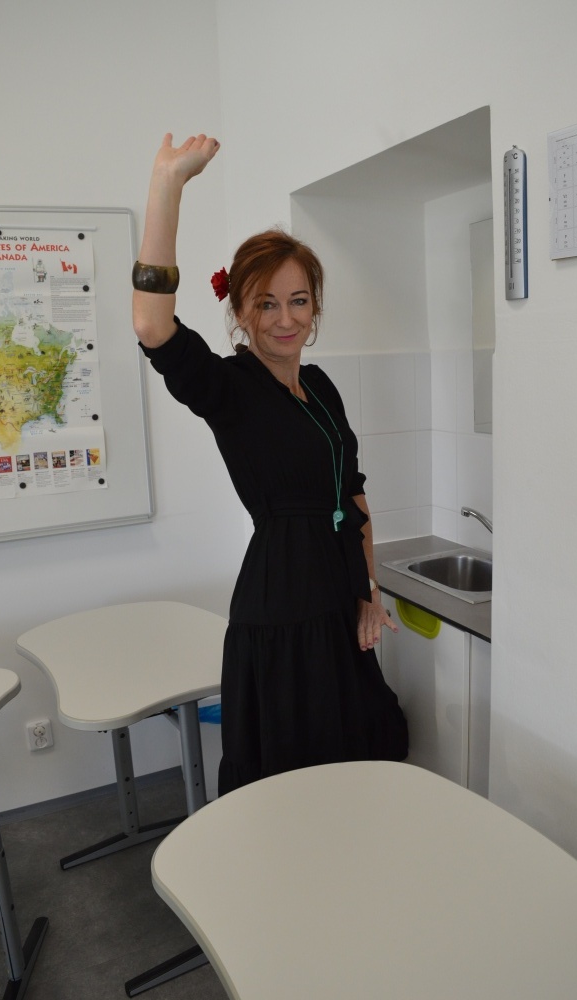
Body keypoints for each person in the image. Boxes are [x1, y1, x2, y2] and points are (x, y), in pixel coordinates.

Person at [133, 132, 408, 796]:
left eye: (298, 300)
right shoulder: (231, 389)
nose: (285, 319)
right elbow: (151, 327)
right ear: (240, 312)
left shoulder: (322, 387)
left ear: (315, 307)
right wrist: (168, 186)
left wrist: (369, 592)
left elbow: (354, 496)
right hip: (280, 616)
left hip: (338, 606)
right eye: (266, 303)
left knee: (365, 754)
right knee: (291, 785)